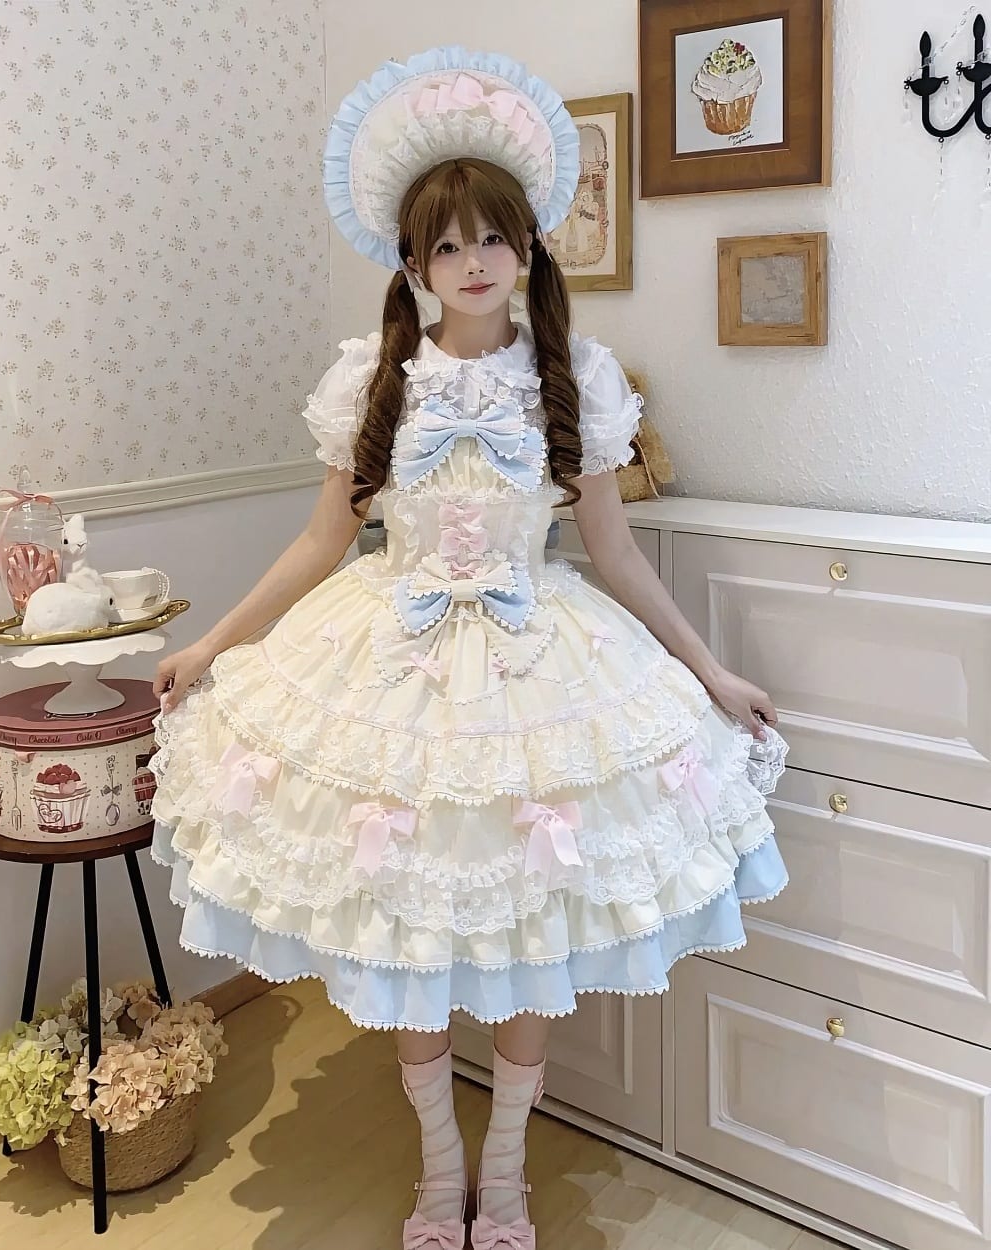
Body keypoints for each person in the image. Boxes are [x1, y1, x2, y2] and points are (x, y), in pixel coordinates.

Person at [151, 47, 788, 1250]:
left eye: (493, 237)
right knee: (409, 930)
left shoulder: (573, 378)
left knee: (523, 933)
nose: (473, 261)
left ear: (529, 247)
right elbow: (320, 540)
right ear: (413, 264)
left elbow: (614, 552)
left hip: (535, 664)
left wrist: (709, 672)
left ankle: (507, 1174)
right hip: (389, 661)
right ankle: (439, 1172)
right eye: (447, 245)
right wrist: (216, 643)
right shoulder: (371, 381)